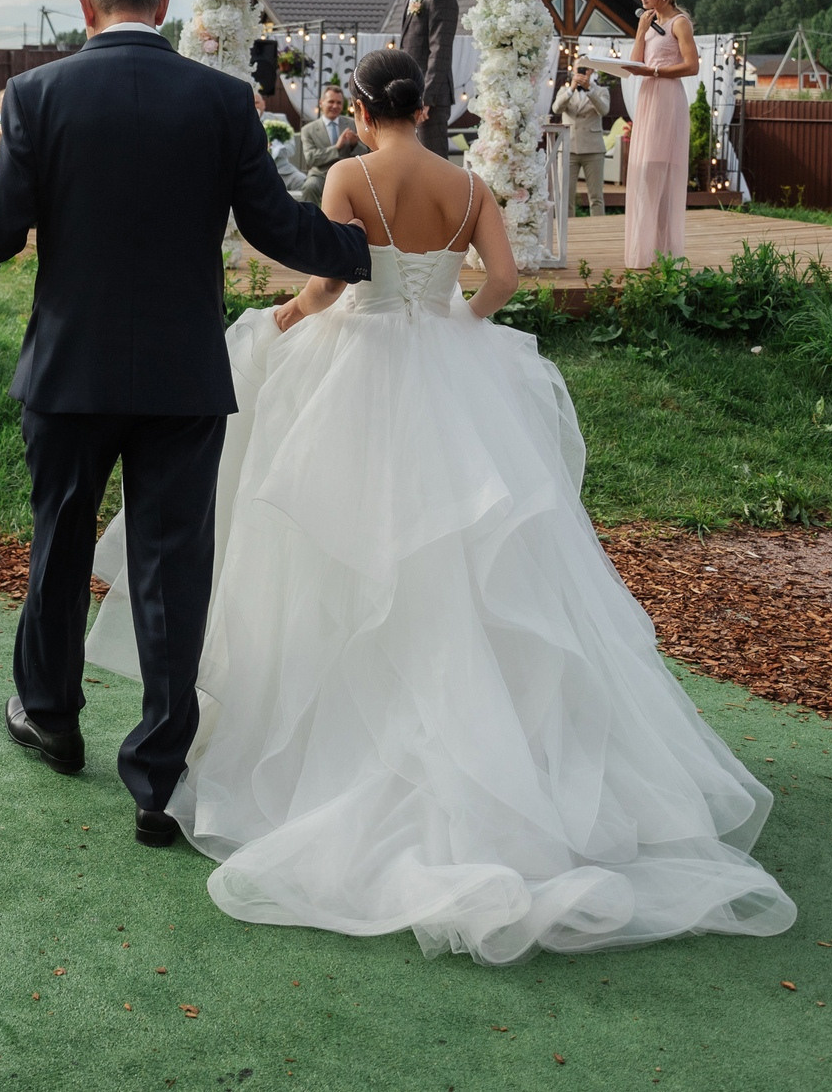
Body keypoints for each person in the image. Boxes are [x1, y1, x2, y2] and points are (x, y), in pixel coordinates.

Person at [85, 46, 795, 963]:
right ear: (424, 106)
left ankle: (340, 736)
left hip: (358, 364)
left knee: (344, 549)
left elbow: (331, 279)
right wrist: (458, 329)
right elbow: (500, 281)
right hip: (451, 374)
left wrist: (287, 323)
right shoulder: (469, 186)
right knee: (469, 563)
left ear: (361, 106)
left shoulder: (348, 172)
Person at [0, 0, 372, 848]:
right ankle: (157, 777)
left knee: (60, 542)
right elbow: (274, 223)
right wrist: (358, 253)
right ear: (164, 5)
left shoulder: (36, 94)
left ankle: (51, 718)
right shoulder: (222, 99)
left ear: (86, 4)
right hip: (184, 373)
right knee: (172, 566)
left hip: (69, 373)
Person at [622, 0, 697, 267]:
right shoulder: (650, 25)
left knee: (663, 172)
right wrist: (640, 31)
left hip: (667, 98)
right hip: (648, 98)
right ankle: (645, 251)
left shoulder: (680, 23)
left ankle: (666, 253)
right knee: (644, 172)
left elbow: (691, 66)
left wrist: (654, 72)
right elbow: (634, 64)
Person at [386, 0, 460, 158]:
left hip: (430, 101)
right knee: (411, 161)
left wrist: (425, 100)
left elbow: (440, 51)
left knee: (433, 161)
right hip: (411, 95)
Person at [552, 65, 609, 217]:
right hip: (568, 148)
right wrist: (571, 89)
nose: (582, 72)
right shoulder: (565, 91)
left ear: (592, 72)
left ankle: (599, 229)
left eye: (586, 69)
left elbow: (604, 110)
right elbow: (556, 109)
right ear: (573, 71)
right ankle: (567, 230)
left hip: (593, 149)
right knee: (566, 195)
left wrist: (589, 89)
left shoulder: (601, 91)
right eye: (578, 69)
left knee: (596, 196)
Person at [292, 84, 363, 206]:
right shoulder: (308, 129)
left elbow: (366, 153)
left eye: (339, 103)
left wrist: (354, 144)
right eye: (331, 102)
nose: (335, 106)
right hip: (320, 174)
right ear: (321, 103)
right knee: (310, 187)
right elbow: (311, 158)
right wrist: (336, 148)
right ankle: (311, 223)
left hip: (347, 174)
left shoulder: (352, 124)